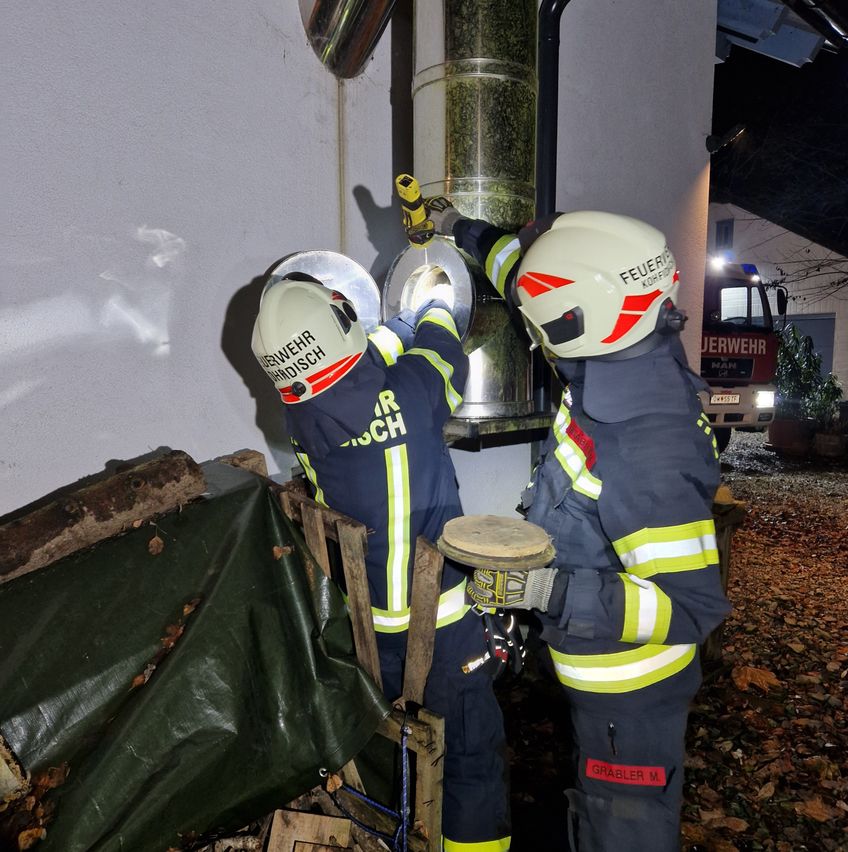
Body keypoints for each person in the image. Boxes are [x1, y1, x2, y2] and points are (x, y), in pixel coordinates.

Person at [419, 202, 731, 851]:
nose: (538, 341)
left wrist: (547, 594)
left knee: (620, 827)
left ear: (570, 322)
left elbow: (689, 608)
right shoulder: (616, 346)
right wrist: (455, 228)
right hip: (594, 674)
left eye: (542, 327)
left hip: (630, 697)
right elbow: (518, 272)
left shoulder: (648, 449)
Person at [251, 270, 511, 852]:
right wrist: (434, 302)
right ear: (345, 329)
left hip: (362, 637)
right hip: (442, 633)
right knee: (472, 760)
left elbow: (359, 368)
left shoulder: (303, 423)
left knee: (396, 751)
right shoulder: (419, 390)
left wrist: (393, 327)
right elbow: (443, 349)